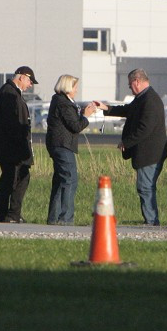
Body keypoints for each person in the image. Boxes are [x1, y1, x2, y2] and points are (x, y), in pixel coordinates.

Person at [96, 69, 167, 226]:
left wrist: (127, 142)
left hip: (150, 154)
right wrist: (106, 108)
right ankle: (150, 219)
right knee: (145, 187)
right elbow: (128, 109)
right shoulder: (143, 98)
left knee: (145, 187)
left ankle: (151, 221)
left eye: (130, 85)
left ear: (137, 81)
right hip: (149, 153)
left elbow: (145, 128)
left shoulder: (150, 100)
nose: (130, 88)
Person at [0, 65, 37, 223]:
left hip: (11, 147)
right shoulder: (10, 93)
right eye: (30, 81)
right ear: (22, 77)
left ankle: (3, 214)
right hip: (12, 148)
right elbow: (13, 122)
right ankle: (9, 214)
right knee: (16, 178)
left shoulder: (11, 92)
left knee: (12, 179)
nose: (30, 85)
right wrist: (21, 144)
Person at [45, 74, 97, 225]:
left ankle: (54, 218)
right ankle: (65, 218)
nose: (76, 90)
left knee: (60, 181)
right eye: (75, 87)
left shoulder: (61, 101)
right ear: (68, 87)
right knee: (70, 180)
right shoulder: (64, 103)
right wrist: (86, 116)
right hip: (63, 146)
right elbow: (75, 126)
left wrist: (81, 114)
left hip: (59, 145)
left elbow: (70, 121)